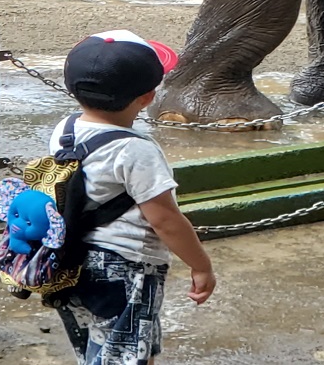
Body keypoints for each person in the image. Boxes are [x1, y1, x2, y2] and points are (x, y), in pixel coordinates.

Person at [52, 29, 214, 365]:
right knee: (126, 355)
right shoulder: (136, 150)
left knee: (104, 351)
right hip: (124, 268)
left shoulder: (65, 130)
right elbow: (165, 220)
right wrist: (201, 265)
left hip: (72, 260)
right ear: (148, 97)